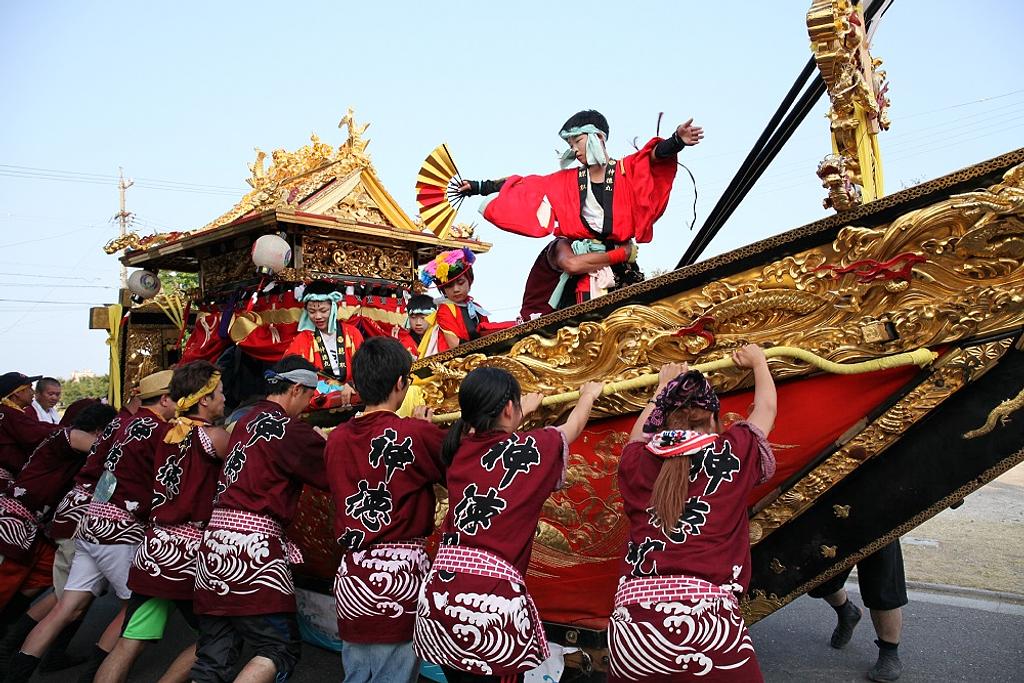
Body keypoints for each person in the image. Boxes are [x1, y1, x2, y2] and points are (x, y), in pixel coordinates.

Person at [414, 367, 603, 682]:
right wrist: (588, 396)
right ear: (507, 408)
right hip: (490, 607)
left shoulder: (459, 450)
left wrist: (520, 411)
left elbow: (494, 444)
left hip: (442, 598)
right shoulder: (534, 447)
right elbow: (571, 426)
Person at [606, 346, 777, 682]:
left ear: (664, 420)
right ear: (714, 419)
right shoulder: (729, 452)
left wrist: (661, 388)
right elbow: (766, 409)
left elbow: (636, 438)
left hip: (633, 630)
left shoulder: (639, 461)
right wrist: (759, 360)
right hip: (706, 622)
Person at [4, 369, 176, 682]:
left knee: (65, 607)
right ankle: (94, 674)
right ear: (165, 399)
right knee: (135, 605)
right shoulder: (161, 431)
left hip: (87, 522)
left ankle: (15, 673)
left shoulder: (118, 425)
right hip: (116, 529)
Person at [459, 110, 703, 317]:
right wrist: (481, 186)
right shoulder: (567, 180)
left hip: (623, 272)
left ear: (598, 137)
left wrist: (676, 141)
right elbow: (526, 184)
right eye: (570, 145)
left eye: (578, 141)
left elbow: (653, 156)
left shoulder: (625, 169)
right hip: (586, 261)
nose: (574, 150)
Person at [191, 355, 329, 683]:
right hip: (252, 551)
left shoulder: (244, 420)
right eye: (310, 395)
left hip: (213, 547)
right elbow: (330, 471)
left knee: (215, 652)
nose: (308, 405)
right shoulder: (288, 428)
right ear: (296, 388)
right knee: (277, 647)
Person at [96, 361, 230, 683]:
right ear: (204, 400)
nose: (225, 399)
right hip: (188, 555)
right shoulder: (214, 437)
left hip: (154, 548)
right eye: (220, 393)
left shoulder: (166, 433)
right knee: (220, 635)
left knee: (129, 642)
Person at [325, 337, 446, 683]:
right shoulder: (414, 433)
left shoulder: (336, 439)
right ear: (400, 384)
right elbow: (462, 466)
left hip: (352, 577)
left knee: (358, 675)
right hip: (398, 581)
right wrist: (423, 428)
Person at [0, 402, 116, 669]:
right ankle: (10, 643)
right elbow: (113, 455)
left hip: (32, 528)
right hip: (13, 523)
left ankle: (14, 640)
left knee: (43, 586)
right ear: (99, 429)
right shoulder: (71, 436)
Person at [807, 542, 907, 682]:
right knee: (817, 579)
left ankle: (889, 652)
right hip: (830, 522)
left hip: (878, 524)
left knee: (882, 587)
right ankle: (847, 611)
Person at [283, 280, 365, 408]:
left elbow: (365, 369)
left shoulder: (352, 334)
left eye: (323, 310)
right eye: (312, 311)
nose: (318, 316)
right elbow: (290, 375)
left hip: (351, 396)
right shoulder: (302, 339)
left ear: (334, 308)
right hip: (315, 401)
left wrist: (352, 385)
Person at [418, 248, 515, 353]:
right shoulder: (445, 309)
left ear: (470, 281)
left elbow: (487, 333)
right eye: (449, 286)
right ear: (443, 289)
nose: (456, 289)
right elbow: (454, 345)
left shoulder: (476, 307)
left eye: (460, 282)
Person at [0, 372, 59, 482]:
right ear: (18, 393)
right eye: (29, 388)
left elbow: (37, 427)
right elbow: (36, 434)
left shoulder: (8, 412)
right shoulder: (11, 414)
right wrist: (69, 432)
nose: (32, 392)